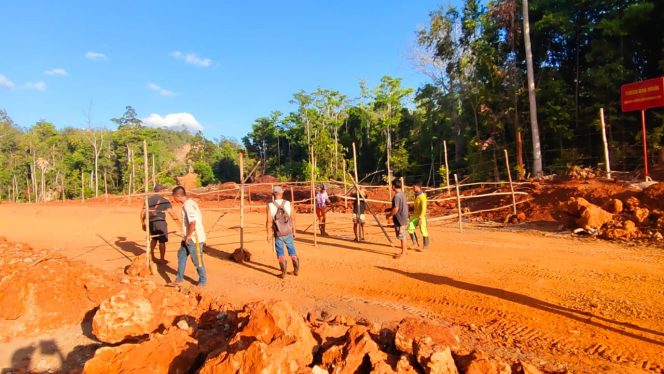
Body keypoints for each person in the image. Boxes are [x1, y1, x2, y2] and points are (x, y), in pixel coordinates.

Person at [171, 186, 207, 287]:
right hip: (189, 236)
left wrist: (189, 236)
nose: (173, 199)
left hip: (193, 238)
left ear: (178, 195)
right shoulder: (190, 203)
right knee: (181, 254)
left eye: (174, 197)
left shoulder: (188, 206)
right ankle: (179, 278)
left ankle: (203, 280)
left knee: (197, 259)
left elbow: (192, 222)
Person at [266, 186, 300, 278]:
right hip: (288, 231)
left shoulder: (270, 205)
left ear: (273, 195)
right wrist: (294, 231)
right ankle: (296, 271)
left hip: (278, 233)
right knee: (292, 251)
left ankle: (283, 273)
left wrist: (268, 235)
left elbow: (268, 222)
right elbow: (293, 219)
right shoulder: (289, 204)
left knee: (280, 252)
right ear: (282, 194)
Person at [140, 184, 179, 264]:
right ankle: (162, 259)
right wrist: (179, 224)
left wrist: (143, 223)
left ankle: (152, 257)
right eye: (164, 190)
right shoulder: (165, 201)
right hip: (161, 222)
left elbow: (142, 213)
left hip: (151, 222)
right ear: (161, 190)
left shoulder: (148, 200)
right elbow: (172, 214)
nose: (165, 192)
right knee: (162, 241)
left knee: (153, 239)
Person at [386, 180, 408, 258]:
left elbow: (396, 209)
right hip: (403, 217)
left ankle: (403, 252)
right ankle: (404, 250)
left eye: (392, 185)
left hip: (400, 218)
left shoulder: (397, 196)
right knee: (403, 235)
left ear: (394, 186)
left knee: (402, 236)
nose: (391, 187)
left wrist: (389, 215)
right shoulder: (403, 194)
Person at [408, 182, 429, 250]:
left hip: (421, 216)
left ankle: (425, 246)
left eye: (414, 187)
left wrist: (420, 217)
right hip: (414, 215)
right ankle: (415, 243)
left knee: (423, 230)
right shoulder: (416, 195)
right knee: (410, 228)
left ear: (418, 187)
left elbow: (424, 208)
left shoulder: (422, 197)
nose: (413, 188)